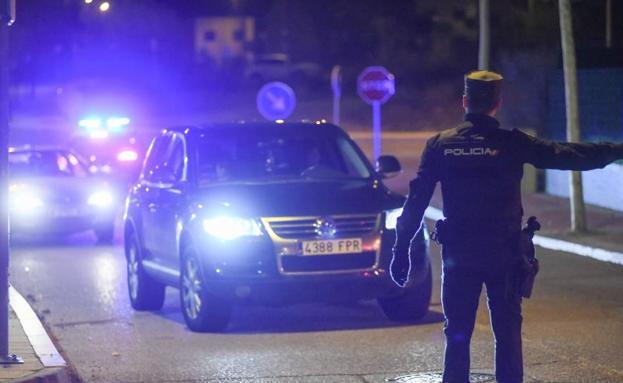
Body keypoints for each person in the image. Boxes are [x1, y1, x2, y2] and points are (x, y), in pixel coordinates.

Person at [390, 70, 623, 383]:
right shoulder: (512, 143)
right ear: (497, 104)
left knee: (457, 334)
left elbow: (416, 201)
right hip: (505, 255)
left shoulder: (440, 146)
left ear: (464, 102)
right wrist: (616, 150)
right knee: (508, 336)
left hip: (460, 256)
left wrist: (401, 250)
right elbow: (568, 155)